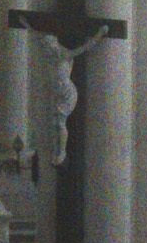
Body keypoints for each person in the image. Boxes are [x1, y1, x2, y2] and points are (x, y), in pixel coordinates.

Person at [37, 23, 110, 165]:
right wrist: (26, 24)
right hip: (56, 93)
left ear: (55, 44)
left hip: (67, 94)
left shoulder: (65, 54)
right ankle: (56, 150)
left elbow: (86, 47)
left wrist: (100, 33)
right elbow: (37, 35)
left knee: (59, 123)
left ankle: (61, 152)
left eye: (49, 46)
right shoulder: (51, 55)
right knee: (53, 124)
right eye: (46, 47)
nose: (47, 50)